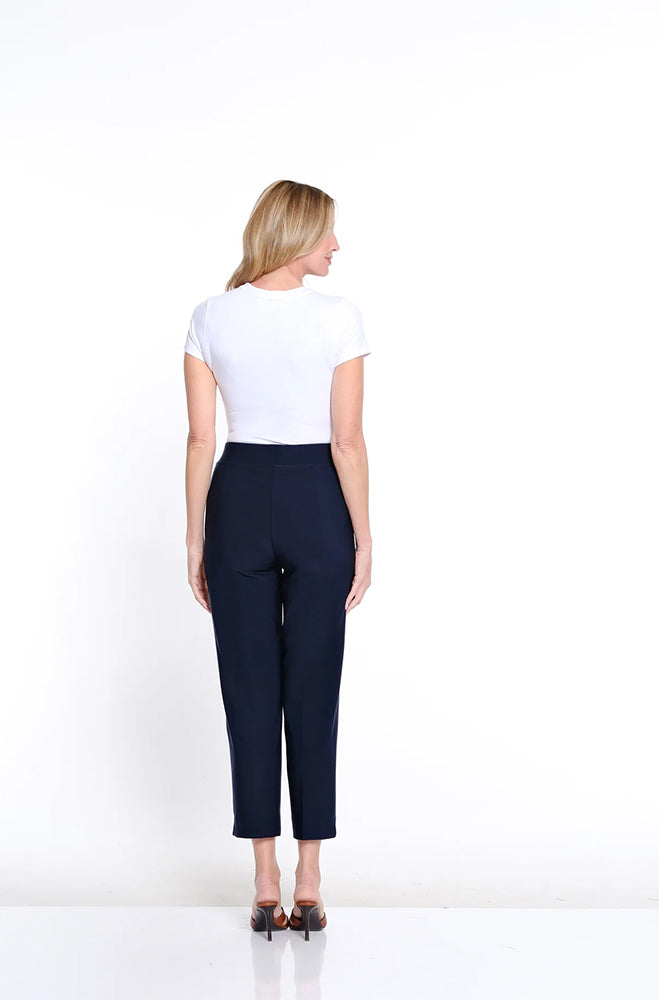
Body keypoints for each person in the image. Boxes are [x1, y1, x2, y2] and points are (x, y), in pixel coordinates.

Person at [183, 179, 372, 940]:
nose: (336, 245)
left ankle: (264, 882)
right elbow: (347, 442)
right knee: (314, 692)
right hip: (316, 497)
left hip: (238, 493)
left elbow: (201, 440)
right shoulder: (339, 317)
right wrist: (364, 536)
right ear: (296, 235)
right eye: (328, 232)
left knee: (250, 694)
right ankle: (310, 878)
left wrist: (196, 537)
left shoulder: (210, 316)